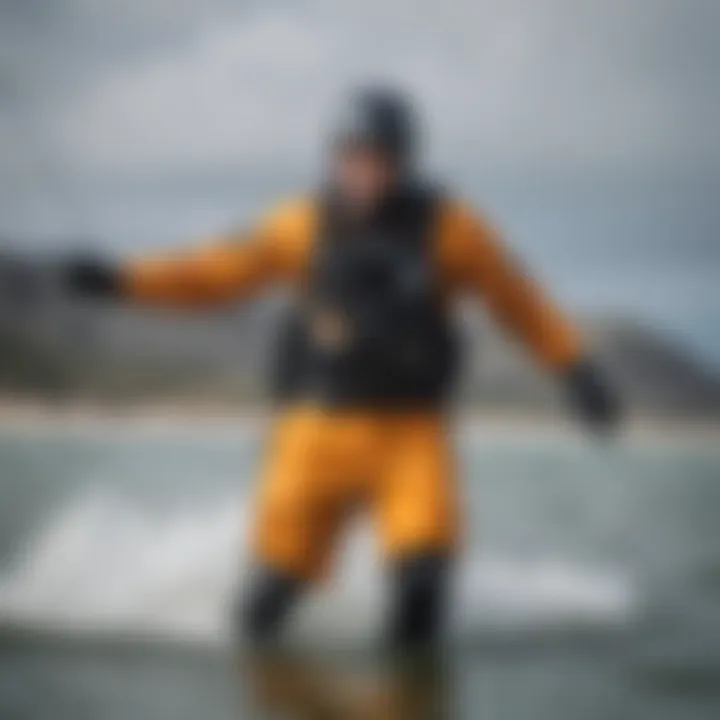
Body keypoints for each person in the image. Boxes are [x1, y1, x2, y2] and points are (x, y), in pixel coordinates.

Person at [63, 86, 619, 650]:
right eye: (350, 155)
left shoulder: (452, 230)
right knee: (265, 603)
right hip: (314, 432)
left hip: (410, 435)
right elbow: (211, 272)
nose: (361, 170)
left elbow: (517, 299)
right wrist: (120, 280)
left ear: (402, 160)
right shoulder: (299, 224)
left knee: (423, 584)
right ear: (334, 157)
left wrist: (576, 369)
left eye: (375, 156)